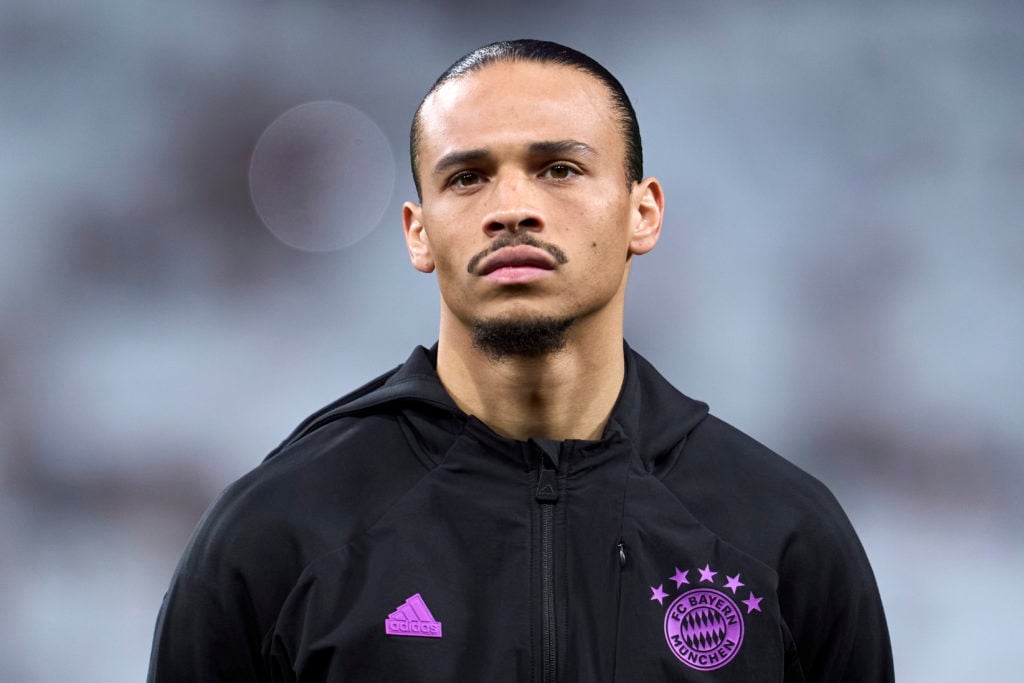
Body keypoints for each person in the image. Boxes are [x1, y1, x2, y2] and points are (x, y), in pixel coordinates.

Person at [148, 39, 894, 682]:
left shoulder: (781, 535)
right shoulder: (278, 535)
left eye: (559, 169)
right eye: (466, 176)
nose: (512, 206)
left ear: (644, 212)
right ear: (417, 232)